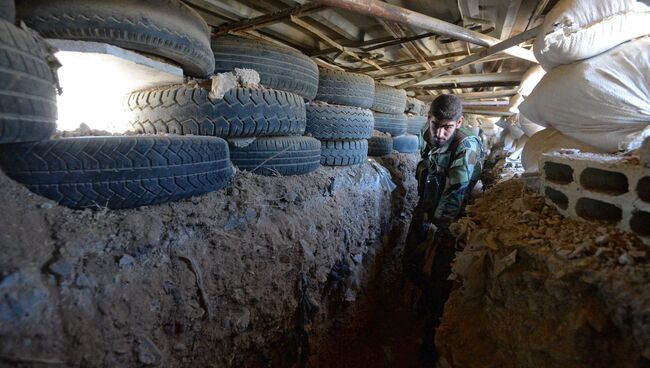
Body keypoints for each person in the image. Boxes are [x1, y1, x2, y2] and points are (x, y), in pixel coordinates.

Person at [403, 94, 482, 365]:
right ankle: (419, 304)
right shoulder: (429, 134)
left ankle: (430, 343)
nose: (439, 133)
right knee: (410, 262)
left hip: (450, 218)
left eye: (447, 127)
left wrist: (435, 237)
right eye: (436, 124)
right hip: (427, 207)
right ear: (429, 118)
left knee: (438, 277)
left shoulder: (466, 146)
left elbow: (454, 196)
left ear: (459, 122)